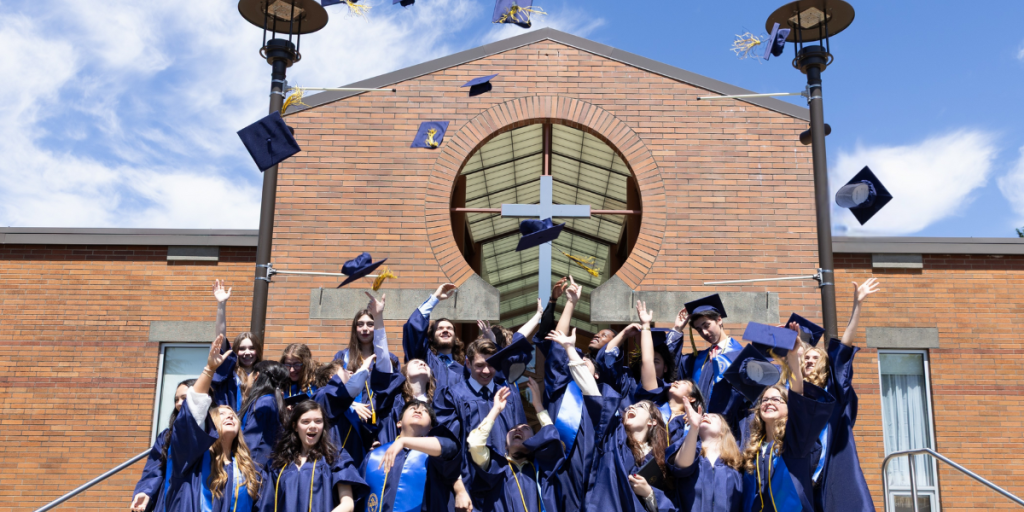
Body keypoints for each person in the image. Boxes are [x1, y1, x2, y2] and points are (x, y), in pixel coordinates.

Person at [435, 303, 543, 503]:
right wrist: (458, 488)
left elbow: (519, 439)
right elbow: (448, 447)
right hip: (469, 484)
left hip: (506, 484)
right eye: (479, 366)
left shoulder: (509, 394)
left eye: (491, 365)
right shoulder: (453, 395)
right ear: (467, 363)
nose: (486, 371)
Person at [803, 278, 880, 512]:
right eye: (806, 358)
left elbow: (844, 348)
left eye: (815, 358)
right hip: (802, 468)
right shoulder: (793, 393)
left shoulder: (834, 389)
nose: (809, 361)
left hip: (830, 467)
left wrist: (857, 305)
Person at [163, 335, 262, 512]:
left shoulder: (245, 469)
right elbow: (194, 411)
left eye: (232, 415)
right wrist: (209, 370)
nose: (230, 416)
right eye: (222, 414)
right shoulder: (192, 458)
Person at [741, 344, 835, 512]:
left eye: (777, 400)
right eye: (765, 400)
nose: (769, 402)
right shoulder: (754, 448)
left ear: (790, 408)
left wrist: (793, 358)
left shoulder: (795, 443)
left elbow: (798, 396)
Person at [257, 400, 366, 512]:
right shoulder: (280, 464)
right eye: (306, 422)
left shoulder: (335, 457)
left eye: (318, 421)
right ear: (295, 426)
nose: (313, 426)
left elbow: (348, 504)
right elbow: (267, 506)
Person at [357, 400, 462, 512]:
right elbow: (359, 498)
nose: (418, 411)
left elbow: (450, 448)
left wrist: (403, 442)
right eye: (412, 408)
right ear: (399, 423)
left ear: (430, 428)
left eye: (425, 411)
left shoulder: (433, 455)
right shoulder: (375, 456)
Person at [671, 295, 747, 441]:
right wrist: (677, 330)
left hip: (730, 432)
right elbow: (670, 368)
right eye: (699, 329)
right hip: (698, 434)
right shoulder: (699, 359)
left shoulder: (741, 356)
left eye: (706, 325)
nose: (704, 333)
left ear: (719, 320)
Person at [667, 399, 743, 512]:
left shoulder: (736, 464)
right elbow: (682, 467)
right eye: (703, 416)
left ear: (723, 430)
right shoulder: (690, 452)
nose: (705, 415)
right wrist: (694, 428)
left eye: (714, 417)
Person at [131, 379, 195, 512]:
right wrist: (145, 491)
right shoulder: (167, 436)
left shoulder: (213, 433)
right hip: (169, 498)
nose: (179, 403)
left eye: (184, 398)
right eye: (176, 399)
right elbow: (154, 469)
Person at [210, 280, 264, 411]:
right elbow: (220, 337)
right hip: (232, 419)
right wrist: (221, 305)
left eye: (252, 348)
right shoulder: (230, 373)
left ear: (258, 350)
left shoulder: (264, 374)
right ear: (235, 351)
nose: (247, 352)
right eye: (242, 348)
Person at [402, 283, 465, 390]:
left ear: (455, 338)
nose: (445, 330)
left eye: (449, 328)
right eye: (440, 328)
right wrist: (435, 298)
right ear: (430, 337)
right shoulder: (423, 360)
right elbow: (413, 327)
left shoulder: (464, 371)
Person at [237, 361, 288, 467]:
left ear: (257, 375)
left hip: (255, 466)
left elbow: (253, 441)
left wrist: (249, 468)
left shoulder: (263, 403)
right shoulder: (271, 400)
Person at [333, 292, 400, 372]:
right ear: (355, 328)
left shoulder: (390, 359)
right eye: (360, 324)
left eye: (370, 324)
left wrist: (378, 316)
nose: (365, 328)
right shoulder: (342, 357)